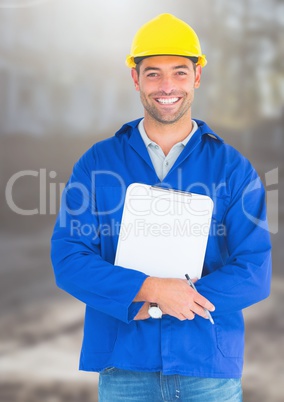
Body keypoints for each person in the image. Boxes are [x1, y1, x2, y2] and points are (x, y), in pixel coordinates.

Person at [51, 13, 272, 402]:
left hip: (206, 369)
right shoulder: (98, 163)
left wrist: (172, 300)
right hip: (125, 367)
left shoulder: (232, 168)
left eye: (179, 72)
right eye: (153, 73)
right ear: (135, 79)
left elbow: (254, 269)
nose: (167, 86)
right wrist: (150, 289)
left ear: (197, 76)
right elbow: (69, 257)